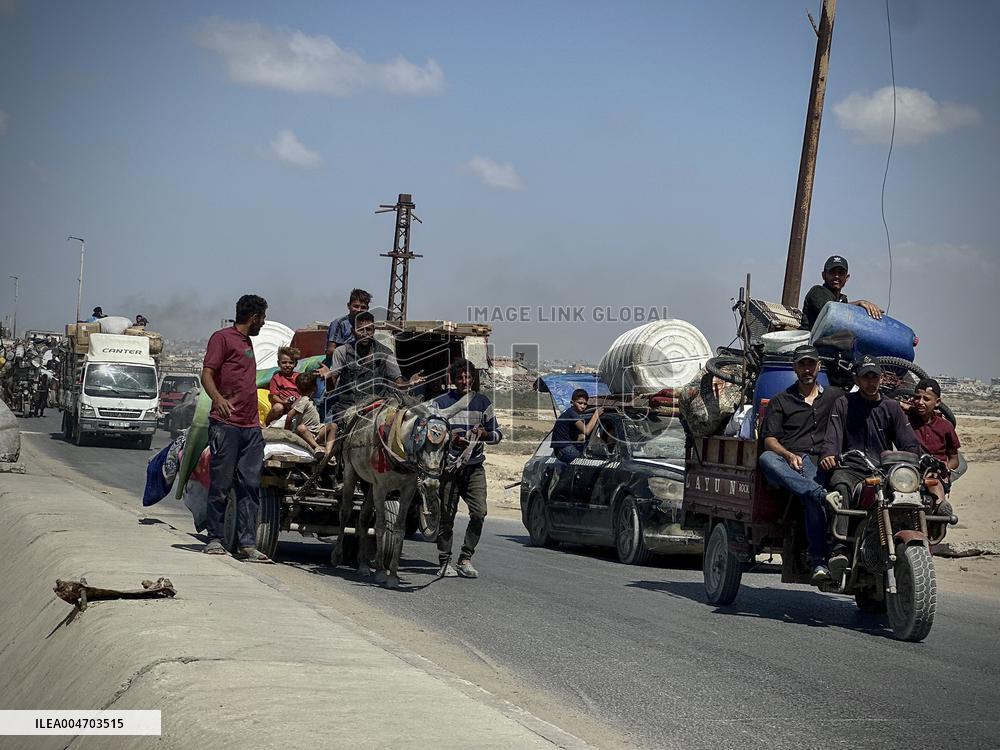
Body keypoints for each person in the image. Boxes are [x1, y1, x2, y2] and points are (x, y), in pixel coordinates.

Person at [758, 345, 843, 582]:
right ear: (795, 368)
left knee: (819, 496)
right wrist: (787, 455)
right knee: (767, 459)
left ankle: (835, 554)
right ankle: (818, 560)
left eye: (811, 364)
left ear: (818, 367)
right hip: (792, 463)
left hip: (823, 461)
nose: (807, 369)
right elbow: (770, 441)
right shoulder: (781, 400)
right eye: (802, 365)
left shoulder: (835, 396)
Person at [200, 294, 273, 563]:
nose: (263, 324)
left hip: (251, 427)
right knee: (220, 484)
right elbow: (207, 372)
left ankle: (247, 544)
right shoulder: (222, 338)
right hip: (226, 426)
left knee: (251, 485)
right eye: (262, 318)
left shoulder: (247, 342)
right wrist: (218, 399)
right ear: (254, 317)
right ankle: (215, 538)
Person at [820, 356, 922, 534]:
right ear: (857, 380)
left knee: (914, 494)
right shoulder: (844, 403)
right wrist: (829, 454)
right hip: (851, 468)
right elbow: (832, 437)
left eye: (874, 377)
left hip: (883, 470)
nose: (871, 382)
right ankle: (840, 545)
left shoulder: (892, 407)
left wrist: (915, 461)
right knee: (841, 486)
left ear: (881, 378)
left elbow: (908, 442)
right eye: (866, 377)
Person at [433, 359, 503, 579]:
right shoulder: (440, 403)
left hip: (474, 468)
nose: (465, 380)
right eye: (461, 377)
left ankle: (465, 558)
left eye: (468, 376)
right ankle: (444, 561)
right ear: (454, 380)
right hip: (449, 469)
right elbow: (431, 434)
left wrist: (484, 435)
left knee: (479, 513)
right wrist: (449, 438)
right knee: (446, 516)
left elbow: (498, 435)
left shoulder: (483, 402)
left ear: (473, 378)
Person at [324, 310, 424, 451]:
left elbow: (399, 382)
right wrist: (328, 377)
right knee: (340, 440)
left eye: (369, 329)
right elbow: (331, 389)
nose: (365, 333)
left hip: (376, 406)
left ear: (374, 330)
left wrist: (409, 383)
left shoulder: (386, 353)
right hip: (348, 407)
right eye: (360, 329)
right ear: (353, 331)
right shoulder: (342, 352)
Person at [906, 378, 960, 519]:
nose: (920, 402)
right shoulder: (906, 419)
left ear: (937, 402)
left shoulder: (945, 426)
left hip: (934, 472)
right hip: (910, 470)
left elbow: (954, 459)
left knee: (934, 481)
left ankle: (941, 508)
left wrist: (945, 467)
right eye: (917, 398)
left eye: (926, 399)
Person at [801, 255, 883, 330]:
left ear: (846, 278)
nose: (836, 276)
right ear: (824, 275)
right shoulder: (817, 291)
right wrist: (858, 303)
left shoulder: (842, 300)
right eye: (832, 272)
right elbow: (831, 312)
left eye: (841, 273)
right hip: (810, 343)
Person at [284, 371, 336, 460]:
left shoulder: (309, 400)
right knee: (301, 428)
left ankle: (328, 452)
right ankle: (317, 447)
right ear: (315, 388)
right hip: (306, 434)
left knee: (333, 426)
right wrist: (286, 431)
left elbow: (293, 408)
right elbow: (290, 415)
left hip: (316, 431)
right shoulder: (304, 400)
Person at [551, 389, 603, 463]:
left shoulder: (569, 413)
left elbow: (579, 437)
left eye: (585, 404)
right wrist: (596, 415)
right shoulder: (572, 414)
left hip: (559, 451)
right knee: (588, 462)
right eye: (580, 403)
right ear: (572, 403)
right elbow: (586, 431)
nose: (582, 406)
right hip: (566, 450)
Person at [326, 288, 372, 364]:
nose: (359, 310)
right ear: (348, 306)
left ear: (367, 309)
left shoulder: (369, 324)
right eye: (356, 306)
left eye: (363, 307)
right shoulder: (340, 323)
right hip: (337, 364)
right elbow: (331, 351)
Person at [265, 346, 300, 425]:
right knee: (278, 407)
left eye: (291, 362)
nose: (287, 365)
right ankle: (266, 422)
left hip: (296, 404)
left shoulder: (298, 377)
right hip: (283, 405)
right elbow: (273, 396)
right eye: (284, 362)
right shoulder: (276, 378)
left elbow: (304, 392)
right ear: (278, 363)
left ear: (295, 364)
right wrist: (283, 402)